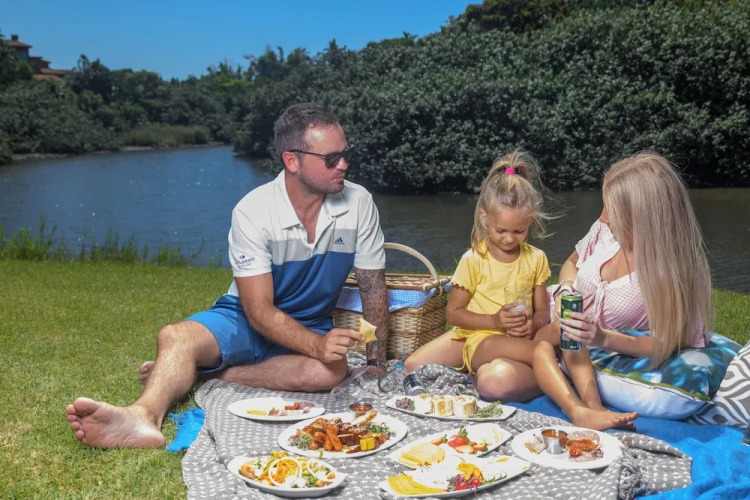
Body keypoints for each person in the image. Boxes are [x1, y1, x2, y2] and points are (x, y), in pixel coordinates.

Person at [66, 102, 390, 449]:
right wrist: (316, 345)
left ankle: (209, 374)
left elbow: (372, 287)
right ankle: (141, 417)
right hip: (245, 318)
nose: (343, 165)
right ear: (292, 161)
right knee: (176, 336)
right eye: (331, 158)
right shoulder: (253, 211)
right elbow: (258, 311)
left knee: (331, 371)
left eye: (344, 154)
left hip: (310, 322)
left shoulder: (359, 202)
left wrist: (376, 362)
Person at [532, 152, 712, 430]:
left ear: (642, 217)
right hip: (546, 315)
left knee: (502, 379)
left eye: (613, 212)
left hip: (573, 343)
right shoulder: (604, 230)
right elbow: (570, 264)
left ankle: (589, 409)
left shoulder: (681, 268)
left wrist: (603, 337)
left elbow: (672, 341)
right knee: (492, 367)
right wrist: (564, 290)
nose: (604, 219)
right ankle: (588, 408)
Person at [404, 151, 555, 402]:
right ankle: (529, 369)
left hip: (515, 339)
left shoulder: (536, 258)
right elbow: (453, 314)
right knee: (411, 365)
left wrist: (534, 324)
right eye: (501, 230)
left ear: (530, 221)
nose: (509, 239)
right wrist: (495, 321)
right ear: (485, 217)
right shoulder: (474, 259)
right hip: (477, 334)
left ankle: (540, 373)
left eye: (519, 231)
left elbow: (542, 312)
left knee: (494, 378)